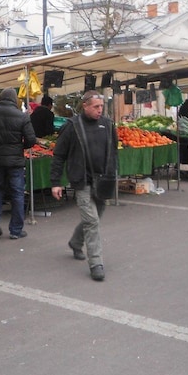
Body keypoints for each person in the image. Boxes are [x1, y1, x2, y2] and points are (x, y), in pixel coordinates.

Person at [50, 90, 119, 282]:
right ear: (85, 106)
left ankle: (75, 242)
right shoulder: (72, 126)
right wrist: (55, 183)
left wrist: (113, 173)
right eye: (96, 107)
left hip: (104, 181)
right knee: (92, 221)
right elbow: (59, 156)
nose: (99, 110)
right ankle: (96, 263)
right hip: (82, 182)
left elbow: (113, 151)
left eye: (101, 107)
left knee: (94, 219)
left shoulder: (107, 124)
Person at [0, 87, 36, 239]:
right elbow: (31, 140)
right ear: (14, 100)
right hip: (15, 161)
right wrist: (19, 147)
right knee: (17, 193)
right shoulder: (22, 116)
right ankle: (16, 230)